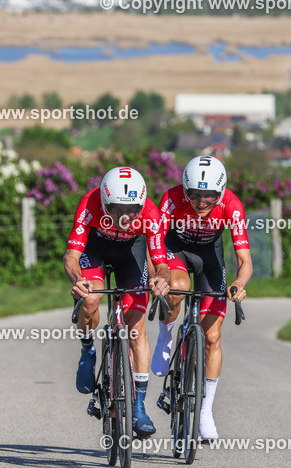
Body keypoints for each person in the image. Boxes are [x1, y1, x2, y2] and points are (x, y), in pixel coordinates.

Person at [64, 166, 171, 437]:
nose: (125, 216)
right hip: (96, 249)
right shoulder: (89, 204)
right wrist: (78, 280)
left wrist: (161, 279)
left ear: (141, 204)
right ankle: (87, 349)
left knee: (136, 328)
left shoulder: (150, 213)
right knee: (90, 299)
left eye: (132, 210)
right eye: (117, 209)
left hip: (131, 252)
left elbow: (161, 263)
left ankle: (139, 406)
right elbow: (71, 256)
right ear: (104, 202)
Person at [152, 155, 252, 440]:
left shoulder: (232, 205)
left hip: (210, 255)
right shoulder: (171, 199)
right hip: (176, 250)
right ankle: (165, 337)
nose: (201, 201)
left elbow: (244, 259)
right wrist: (158, 273)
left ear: (221, 192)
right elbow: (154, 239)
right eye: (194, 194)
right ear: (185, 189)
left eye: (210, 196)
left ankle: (205, 411)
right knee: (178, 287)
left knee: (212, 338)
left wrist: (239, 283)